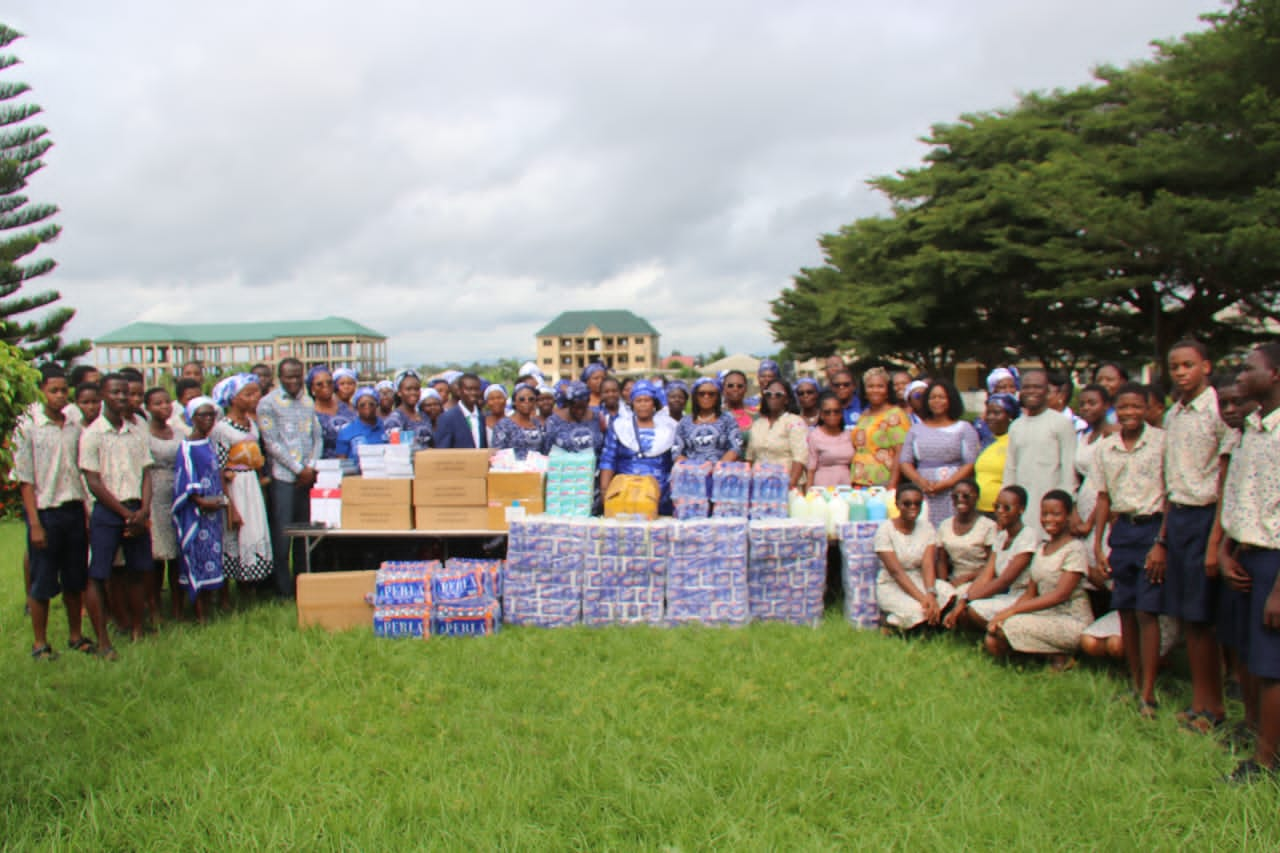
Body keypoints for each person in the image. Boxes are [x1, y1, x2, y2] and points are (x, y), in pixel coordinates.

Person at [1150, 341, 1232, 734]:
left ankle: (1214, 706)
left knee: (1205, 618)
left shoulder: (1219, 411)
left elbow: (1224, 476)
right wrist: (1163, 538)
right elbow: (1170, 481)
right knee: (1188, 617)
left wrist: (1215, 542)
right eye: (1175, 366)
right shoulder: (1175, 414)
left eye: (1188, 365)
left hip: (1207, 518)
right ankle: (1199, 700)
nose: (1181, 372)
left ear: (1206, 366)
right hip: (1179, 518)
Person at [1219, 343, 1280, 782]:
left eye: (1248, 369)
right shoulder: (1252, 429)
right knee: (1248, 652)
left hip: (1275, 563)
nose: (1239, 377)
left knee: (1271, 663)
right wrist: (1226, 550)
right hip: (1246, 554)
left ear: (1275, 374)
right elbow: (1242, 497)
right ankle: (1255, 728)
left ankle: (1266, 761)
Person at [1092, 382, 1167, 718]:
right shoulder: (1106, 448)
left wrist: (1161, 543)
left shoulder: (1161, 443)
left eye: (1137, 406)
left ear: (1148, 408)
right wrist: (1097, 543)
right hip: (1122, 531)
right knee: (1125, 610)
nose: (1130, 413)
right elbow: (1104, 497)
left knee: (1147, 612)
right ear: (1115, 409)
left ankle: (1149, 692)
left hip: (1153, 529)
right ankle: (1134, 682)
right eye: (1123, 408)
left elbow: (1171, 495)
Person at [15, 364, 91, 660]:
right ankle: (40, 643)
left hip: (73, 509)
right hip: (46, 511)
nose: (60, 396)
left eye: (64, 390)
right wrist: (34, 523)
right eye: (54, 390)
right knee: (43, 581)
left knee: (75, 578)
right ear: (43, 391)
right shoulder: (28, 427)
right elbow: (25, 479)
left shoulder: (74, 424)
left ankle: (76, 635)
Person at [79, 372, 154, 653]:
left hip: (137, 509)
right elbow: (94, 481)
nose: (122, 397)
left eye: (125, 392)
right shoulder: (92, 434)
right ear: (102, 395)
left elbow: (147, 472)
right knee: (99, 575)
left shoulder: (137, 431)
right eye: (115, 392)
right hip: (109, 511)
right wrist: (124, 513)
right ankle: (104, 641)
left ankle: (137, 629)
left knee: (137, 572)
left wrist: (143, 510)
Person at [985, 490, 1092, 670]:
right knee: (993, 638)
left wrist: (1013, 612)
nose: (1049, 519)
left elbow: (1060, 595)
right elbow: (1030, 592)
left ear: (1067, 516)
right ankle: (1046, 655)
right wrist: (1007, 612)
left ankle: (1060, 656)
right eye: (1045, 514)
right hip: (1044, 615)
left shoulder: (1075, 549)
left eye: (1056, 514)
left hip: (1070, 618)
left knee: (1010, 626)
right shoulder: (1042, 548)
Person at [257, 358, 321, 598]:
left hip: (307, 477)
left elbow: (318, 437)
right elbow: (271, 443)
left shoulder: (307, 401)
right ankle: (283, 590)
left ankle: (303, 586)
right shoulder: (268, 404)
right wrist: (297, 468)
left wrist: (311, 466)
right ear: (279, 377)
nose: (293, 381)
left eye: (297, 376)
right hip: (284, 477)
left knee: (304, 536)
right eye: (288, 377)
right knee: (283, 535)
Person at [210, 374, 273, 597]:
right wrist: (229, 505)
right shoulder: (222, 429)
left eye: (256, 392)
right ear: (233, 399)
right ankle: (226, 595)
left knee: (252, 533)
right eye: (249, 394)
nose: (255, 397)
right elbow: (218, 467)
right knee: (233, 537)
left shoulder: (250, 424)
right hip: (234, 488)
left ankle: (250, 589)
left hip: (251, 485)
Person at [946, 486, 1039, 632]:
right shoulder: (1002, 536)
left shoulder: (1028, 537)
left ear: (1021, 509)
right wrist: (964, 598)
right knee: (964, 607)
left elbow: (1004, 581)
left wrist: (968, 600)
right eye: (997, 506)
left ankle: (1005, 635)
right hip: (1002, 594)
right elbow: (986, 575)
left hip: (1021, 597)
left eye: (1006, 508)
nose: (1000, 511)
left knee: (973, 610)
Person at [172, 397, 227, 623]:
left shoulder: (209, 443)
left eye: (211, 415)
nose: (207, 420)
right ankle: (198, 614)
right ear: (192, 418)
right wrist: (200, 500)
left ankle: (210, 608)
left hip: (213, 512)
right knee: (195, 558)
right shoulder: (186, 446)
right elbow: (185, 476)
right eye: (202, 415)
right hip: (196, 513)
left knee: (211, 557)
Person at [1003, 369, 1077, 537]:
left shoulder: (1060, 423)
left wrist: (1066, 506)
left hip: (1050, 506)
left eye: (1037, 387)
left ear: (1047, 390)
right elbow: (1011, 468)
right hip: (1022, 505)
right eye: (1027, 387)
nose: (1032, 392)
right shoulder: (1016, 426)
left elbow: (1068, 470)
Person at [874, 483, 956, 632]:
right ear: (897, 504)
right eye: (907, 503)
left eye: (917, 503)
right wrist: (923, 599)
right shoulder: (885, 530)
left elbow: (928, 565)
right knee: (919, 611)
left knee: (949, 592)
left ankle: (900, 623)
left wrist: (931, 594)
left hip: (919, 579)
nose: (913, 507)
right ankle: (891, 624)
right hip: (892, 584)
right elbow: (896, 572)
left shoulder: (927, 528)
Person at [899, 380, 979, 524]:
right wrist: (921, 482)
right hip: (923, 489)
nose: (936, 401)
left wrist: (948, 483)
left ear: (951, 400)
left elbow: (970, 462)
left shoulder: (964, 428)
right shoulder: (916, 429)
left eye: (941, 397)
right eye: (932, 397)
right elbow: (905, 461)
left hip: (953, 491)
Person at [599, 381, 678, 515]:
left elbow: (676, 461)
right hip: (625, 493)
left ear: (654, 403)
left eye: (647, 400)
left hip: (660, 494)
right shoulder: (620, 426)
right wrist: (605, 491)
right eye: (638, 401)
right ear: (632, 404)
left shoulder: (670, 426)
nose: (642, 404)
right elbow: (608, 459)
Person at [145, 386, 187, 622]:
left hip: (177, 492)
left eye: (166, 402)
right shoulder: (144, 435)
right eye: (157, 403)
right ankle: (154, 608)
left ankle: (178, 607)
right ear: (148, 407)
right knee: (157, 554)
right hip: (154, 492)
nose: (163, 407)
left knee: (177, 554)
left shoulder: (179, 433)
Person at [851, 367, 909, 489]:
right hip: (859, 480)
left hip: (883, 481)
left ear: (887, 390)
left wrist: (892, 484)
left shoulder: (895, 415)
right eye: (870, 386)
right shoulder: (864, 415)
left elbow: (901, 452)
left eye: (880, 386)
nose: (875, 390)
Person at [746, 380, 807, 491]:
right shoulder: (757, 424)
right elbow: (750, 457)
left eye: (778, 394)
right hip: (759, 486)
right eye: (768, 394)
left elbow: (799, 458)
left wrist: (790, 484)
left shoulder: (794, 422)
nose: (772, 397)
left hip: (786, 485)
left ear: (786, 400)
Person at [936, 479, 997, 587]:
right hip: (953, 579)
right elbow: (942, 561)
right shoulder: (944, 525)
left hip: (979, 580)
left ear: (977, 497)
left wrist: (966, 578)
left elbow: (992, 565)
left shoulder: (988, 526)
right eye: (955, 496)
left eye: (966, 496)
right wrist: (944, 584)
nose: (960, 499)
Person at [672, 377, 742, 465]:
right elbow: (676, 451)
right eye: (701, 394)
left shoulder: (728, 420)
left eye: (711, 394)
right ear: (695, 396)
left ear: (718, 396)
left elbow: (735, 447)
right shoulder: (684, 422)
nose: (706, 396)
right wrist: (693, 468)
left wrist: (716, 468)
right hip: (691, 473)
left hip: (720, 472)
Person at [973, 394, 1019, 514]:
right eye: (988, 413)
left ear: (1010, 416)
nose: (990, 417)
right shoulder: (985, 441)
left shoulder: (1015, 441)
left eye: (997, 413)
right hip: (978, 509)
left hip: (1001, 511)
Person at [543, 380, 604, 456]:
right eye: (576, 408)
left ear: (588, 402)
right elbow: (546, 452)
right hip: (564, 466)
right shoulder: (553, 422)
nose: (579, 412)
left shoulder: (597, 418)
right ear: (568, 404)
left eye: (583, 408)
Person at [806, 392, 854, 489]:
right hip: (823, 485)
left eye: (836, 411)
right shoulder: (815, 436)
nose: (832, 415)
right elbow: (811, 468)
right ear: (821, 415)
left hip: (846, 485)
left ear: (841, 414)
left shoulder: (848, 435)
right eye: (827, 412)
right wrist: (808, 494)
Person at [308, 366, 355, 459]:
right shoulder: (310, 414)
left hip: (353, 464)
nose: (325, 386)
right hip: (325, 466)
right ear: (312, 389)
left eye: (329, 382)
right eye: (319, 384)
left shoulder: (347, 408)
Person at [433, 373, 487, 449]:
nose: (473, 393)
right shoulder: (447, 418)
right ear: (459, 391)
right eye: (468, 389)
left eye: (476, 389)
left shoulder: (481, 417)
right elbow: (442, 450)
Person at [492, 385, 547, 460]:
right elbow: (498, 453)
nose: (527, 402)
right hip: (511, 470)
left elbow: (543, 451)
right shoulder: (503, 425)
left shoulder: (538, 424)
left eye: (531, 399)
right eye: (522, 399)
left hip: (536, 469)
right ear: (514, 402)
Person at [383, 369, 431, 451]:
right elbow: (396, 450)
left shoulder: (423, 415)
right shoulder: (394, 419)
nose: (413, 393)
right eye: (408, 389)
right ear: (399, 392)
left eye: (416, 389)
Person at [335, 387, 388, 461]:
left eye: (371, 404)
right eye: (362, 405)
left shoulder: (386, 428)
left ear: (377, 405)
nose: (367, 407)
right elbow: (341, 462)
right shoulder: (345, 432)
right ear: (356, 407)